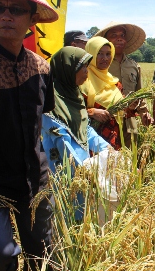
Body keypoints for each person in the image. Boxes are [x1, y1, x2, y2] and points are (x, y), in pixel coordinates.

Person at [0, 0, 58, 270]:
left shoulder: (41, 67)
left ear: (31, 19)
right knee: (0, 254)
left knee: (43, 254)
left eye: (15, 10)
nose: (6, 15)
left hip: (33, 178)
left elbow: (44, 116)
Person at [41, 47, 109, 221]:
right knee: (66, 214)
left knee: (85, 213)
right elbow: (62, 142)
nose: (87, 72)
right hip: (62, 168)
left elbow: (86, 129)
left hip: (83, 169)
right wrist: (86, 170)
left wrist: (109, 151)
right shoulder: (51, 100)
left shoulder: (74, 94)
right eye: (82, 67)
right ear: (67, 68)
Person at [80, 36, 140, 150]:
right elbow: (70, 111)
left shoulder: (115, 83)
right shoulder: (81, 80)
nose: (105, 58)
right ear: (90, 54)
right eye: (99, 53)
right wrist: (92, 112)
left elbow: (121, 112)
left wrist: (130, 107)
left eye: (108, 54)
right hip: (90, 142)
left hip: (113, 140)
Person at [94, 22, 153, 133]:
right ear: (106, 40)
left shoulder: (134, 66)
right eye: (114, 35)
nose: (119, 39)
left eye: (122, 36)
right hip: (106, 122)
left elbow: (139, 93)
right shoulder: (99, 64)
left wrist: (144, 113)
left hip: (130, 124)